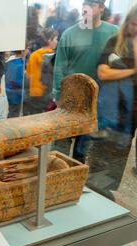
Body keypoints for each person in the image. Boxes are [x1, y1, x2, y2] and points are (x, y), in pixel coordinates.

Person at [53, 0, 118, 163]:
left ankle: (77, 181)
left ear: (102, 8)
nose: (85, 8)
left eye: (91, 4)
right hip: (71, 98)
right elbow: (60, 66)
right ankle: (56, 181)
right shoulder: (69, 33)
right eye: (84, 4)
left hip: (97, 101)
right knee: (60, 145)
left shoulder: (114, 33)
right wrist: (58, 96)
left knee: (83, 148)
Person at [92, 4, 137, 195]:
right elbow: (103, 72)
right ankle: (94, 189)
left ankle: (109, 191)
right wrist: (133, 71)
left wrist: (119, 72)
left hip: (132, 110)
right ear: (127, 22)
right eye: (134, 24)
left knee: (121, 149)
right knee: (102, 148)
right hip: (111, 106)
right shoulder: (115, 41)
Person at [25, 28, 58, 115]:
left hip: (33, 94)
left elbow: (28, 74)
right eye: (55, 39)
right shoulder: (53, 56)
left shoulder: (33, 55)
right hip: (46, 95)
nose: (57, 42)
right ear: (49, 40)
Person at [5, 51, 26, 118]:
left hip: (10, 91)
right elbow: (20, 82)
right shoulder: (19, 64)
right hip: (16, 94)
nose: (28, 51)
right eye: (27, 49)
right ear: (22, 51)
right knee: (14, 114)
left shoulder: (10, 61)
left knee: (12, 111)